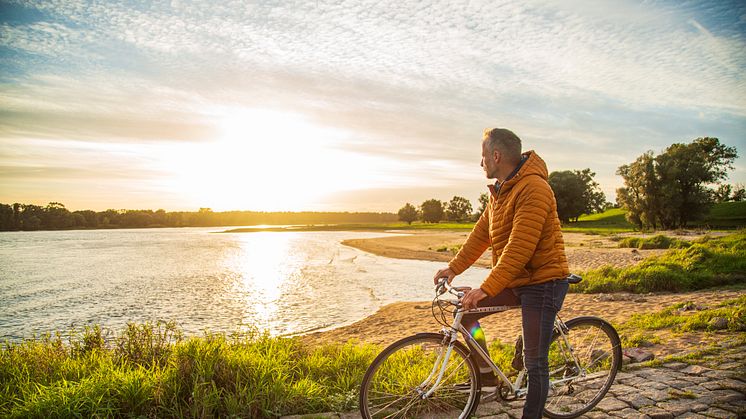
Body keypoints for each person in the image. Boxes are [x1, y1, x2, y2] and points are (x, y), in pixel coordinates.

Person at [433, 128, 570, 419]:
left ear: (496, 156)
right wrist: (454, 268)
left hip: (544, 282)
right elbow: (481, 235)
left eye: (483, 157)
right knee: (467, 313)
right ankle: (486, 378)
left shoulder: (534, 188)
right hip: (518, 279)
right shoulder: (501, 189)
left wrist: (486, 287)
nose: (480, 163)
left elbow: (520, 247)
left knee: (535, 363)